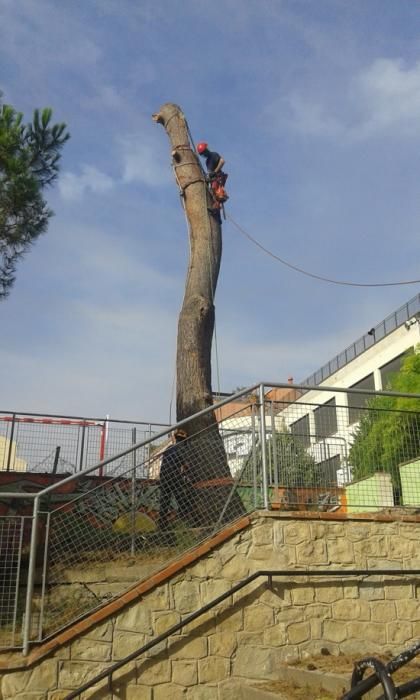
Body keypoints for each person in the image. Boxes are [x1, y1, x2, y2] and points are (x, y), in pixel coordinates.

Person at [158, 428, 198, 530]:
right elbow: (185, 465)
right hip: (174, 477)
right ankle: (185, 520)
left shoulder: (169, 448)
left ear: (176, 438)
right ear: (184, 440)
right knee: (181, 499)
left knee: (164, 502)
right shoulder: (182, 448)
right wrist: (187, 472)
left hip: (164, 476)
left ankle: (162, 525)